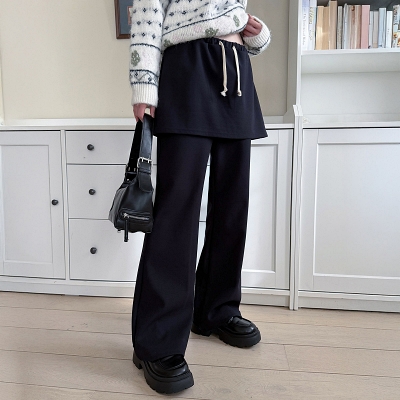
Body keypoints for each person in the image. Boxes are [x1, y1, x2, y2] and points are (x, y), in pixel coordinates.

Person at [129, 0, 271, 394]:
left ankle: (216, 310)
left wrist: (256, 34)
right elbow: (147, 14)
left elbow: (235, 17)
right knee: (176, 213)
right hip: (188, 68)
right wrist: (144, 85)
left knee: (232, 207)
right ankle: (156, 340)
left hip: (236, 72)